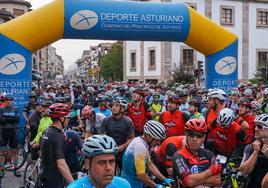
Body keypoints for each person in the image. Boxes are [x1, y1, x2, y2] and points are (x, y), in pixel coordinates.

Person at [122, 120, 174, 188]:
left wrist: (164, 179)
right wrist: (156, 186)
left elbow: (149, 163)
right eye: (157, 140)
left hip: (135, 182)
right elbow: (141, 175)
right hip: (131, 184)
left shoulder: (142, 142)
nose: (158, 143)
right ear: (149, 136)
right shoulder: (140, 147)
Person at [173, 119, 221, 187]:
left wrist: (195, 180)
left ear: (204, 138)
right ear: (186, 135)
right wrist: (210, 171)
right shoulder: (178, 156)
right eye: (191, 134)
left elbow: (217, 180)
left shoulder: (209, 154)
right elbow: (189, 182)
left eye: (199, 135)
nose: (195, 139)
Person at [39, 103, 74, 188]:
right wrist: (74, 184)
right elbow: (61, 165)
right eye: (67, 117)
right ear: (61, 118)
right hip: (53, 178)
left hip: (43, 173)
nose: (68, 120)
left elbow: (42, 153)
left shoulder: (46, 131)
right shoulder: (57, 136)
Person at [101, 97, 134, 173]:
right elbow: (101, 135)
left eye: (117, 106)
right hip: (109, 150)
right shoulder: (106, 120)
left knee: (124, 172)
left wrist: (123, 146)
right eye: (113, 105)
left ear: (122, 109)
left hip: (123, 151)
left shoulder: (128, 121)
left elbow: (132, 138)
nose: (113, 107)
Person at [239, 114, 268, 188]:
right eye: (255, 126)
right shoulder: (251, 147)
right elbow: (243, 172)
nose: (255, 129)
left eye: (259, 127)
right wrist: (255, 152)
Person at [0, 94, 21, 177]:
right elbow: (0, 121)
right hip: (3, 132)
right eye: (7, 100)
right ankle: (1, 170)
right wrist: (11, 119)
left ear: (12, 100)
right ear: (5, 100)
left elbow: (17, 119)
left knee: (14, 152)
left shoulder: (15, 109)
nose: (9, 101)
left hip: (13, 132)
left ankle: (16, 169)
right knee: (2, 153)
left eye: (10, 100)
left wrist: (6, 119)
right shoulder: (1, 109)